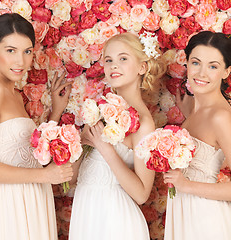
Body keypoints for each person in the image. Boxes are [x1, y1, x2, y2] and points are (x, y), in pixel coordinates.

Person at [0, 13, 73, 240]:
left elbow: (25, 152)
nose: (21, 62)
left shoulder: (13, 93)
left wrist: (56, 112)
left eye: (27, 51)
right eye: (10, 50)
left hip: (32, 197)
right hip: (11, 203)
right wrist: (44, 176)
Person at [68, 32, 166, 240]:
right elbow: (74, 177)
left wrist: (105, 149)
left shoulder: (144, 122)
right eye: (109, 60)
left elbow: (141, 194)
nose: (114, 65)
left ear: (142, 67)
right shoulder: (100, 111)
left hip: (114, 220)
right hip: (86, 214)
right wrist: (82, 142)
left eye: (123, 59)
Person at [163, 31, 231, 240]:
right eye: (196, 63)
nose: (201, 73)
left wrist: (186, 185)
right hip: (187, 215)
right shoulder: (199, 108)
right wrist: (189, 116)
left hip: (207, 223)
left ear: (226, 71)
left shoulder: (219, 116)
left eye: (213, 66)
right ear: (187, 63)